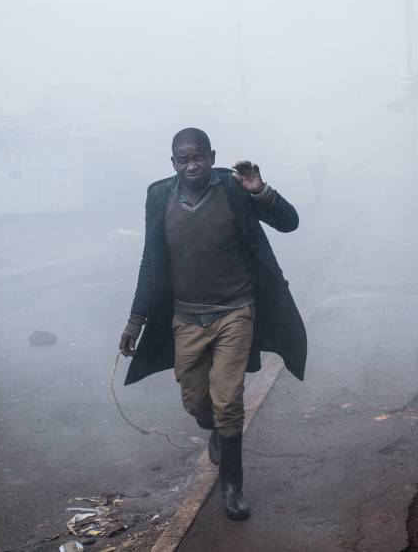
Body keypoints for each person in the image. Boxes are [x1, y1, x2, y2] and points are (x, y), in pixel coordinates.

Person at [119, 127, 306, 521]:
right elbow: (151, 262)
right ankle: (217, 431)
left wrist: (261, 190)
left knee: (228, 401)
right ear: (173, 163)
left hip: (235, 312)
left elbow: (289, 223)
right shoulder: (159, 196)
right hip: (186, 318)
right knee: (197, 402)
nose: (192, 165)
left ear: (212, 155)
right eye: (183, 159)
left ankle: (232, 484)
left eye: (199, 156)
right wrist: (135, 321)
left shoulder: (235, 188)